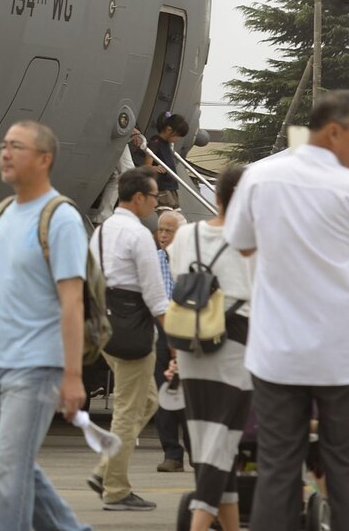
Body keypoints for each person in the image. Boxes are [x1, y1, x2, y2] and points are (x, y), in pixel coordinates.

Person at [224, 90, 349, 531]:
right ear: (335, 131)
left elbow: (241, 242)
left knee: (278, 468)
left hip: (277, 352)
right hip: (343, 355)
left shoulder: (261, 178)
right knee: (348, 473)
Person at [0, 119, 95, 531]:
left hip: (37, 368)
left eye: (16, 146)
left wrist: (72, 376)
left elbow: (72, 300)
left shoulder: (61, 219)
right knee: (14, 469)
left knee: (7, 473)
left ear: (44, 159)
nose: (4, 153)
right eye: (3, 145)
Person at [175, 164, 254, 531]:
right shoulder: (253, 244)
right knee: (221, 443)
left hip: (190, 343)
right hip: (235, 343)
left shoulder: (184, 235)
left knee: (212, 439)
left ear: (217, 197)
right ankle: (198, 526)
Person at [86, 169, 171, 512]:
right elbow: (156, 296)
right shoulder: (139, 235)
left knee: (148, 400)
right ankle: (117, 489)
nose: (156, 204)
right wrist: (174, 337)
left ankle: (105, 470)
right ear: (138, 198)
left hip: (106, 329)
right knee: (128, 410)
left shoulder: (103, 231)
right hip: (134, 333)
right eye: (154, 198)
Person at [153, 210, 188, 473]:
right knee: (163, 393)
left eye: (169, 230)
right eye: (160, 230)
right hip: (160, 331)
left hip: (187, 332)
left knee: (191, 395)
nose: (163, 235)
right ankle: (172, 453)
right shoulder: (152, 261)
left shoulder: (192, 261)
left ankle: (196, 453)